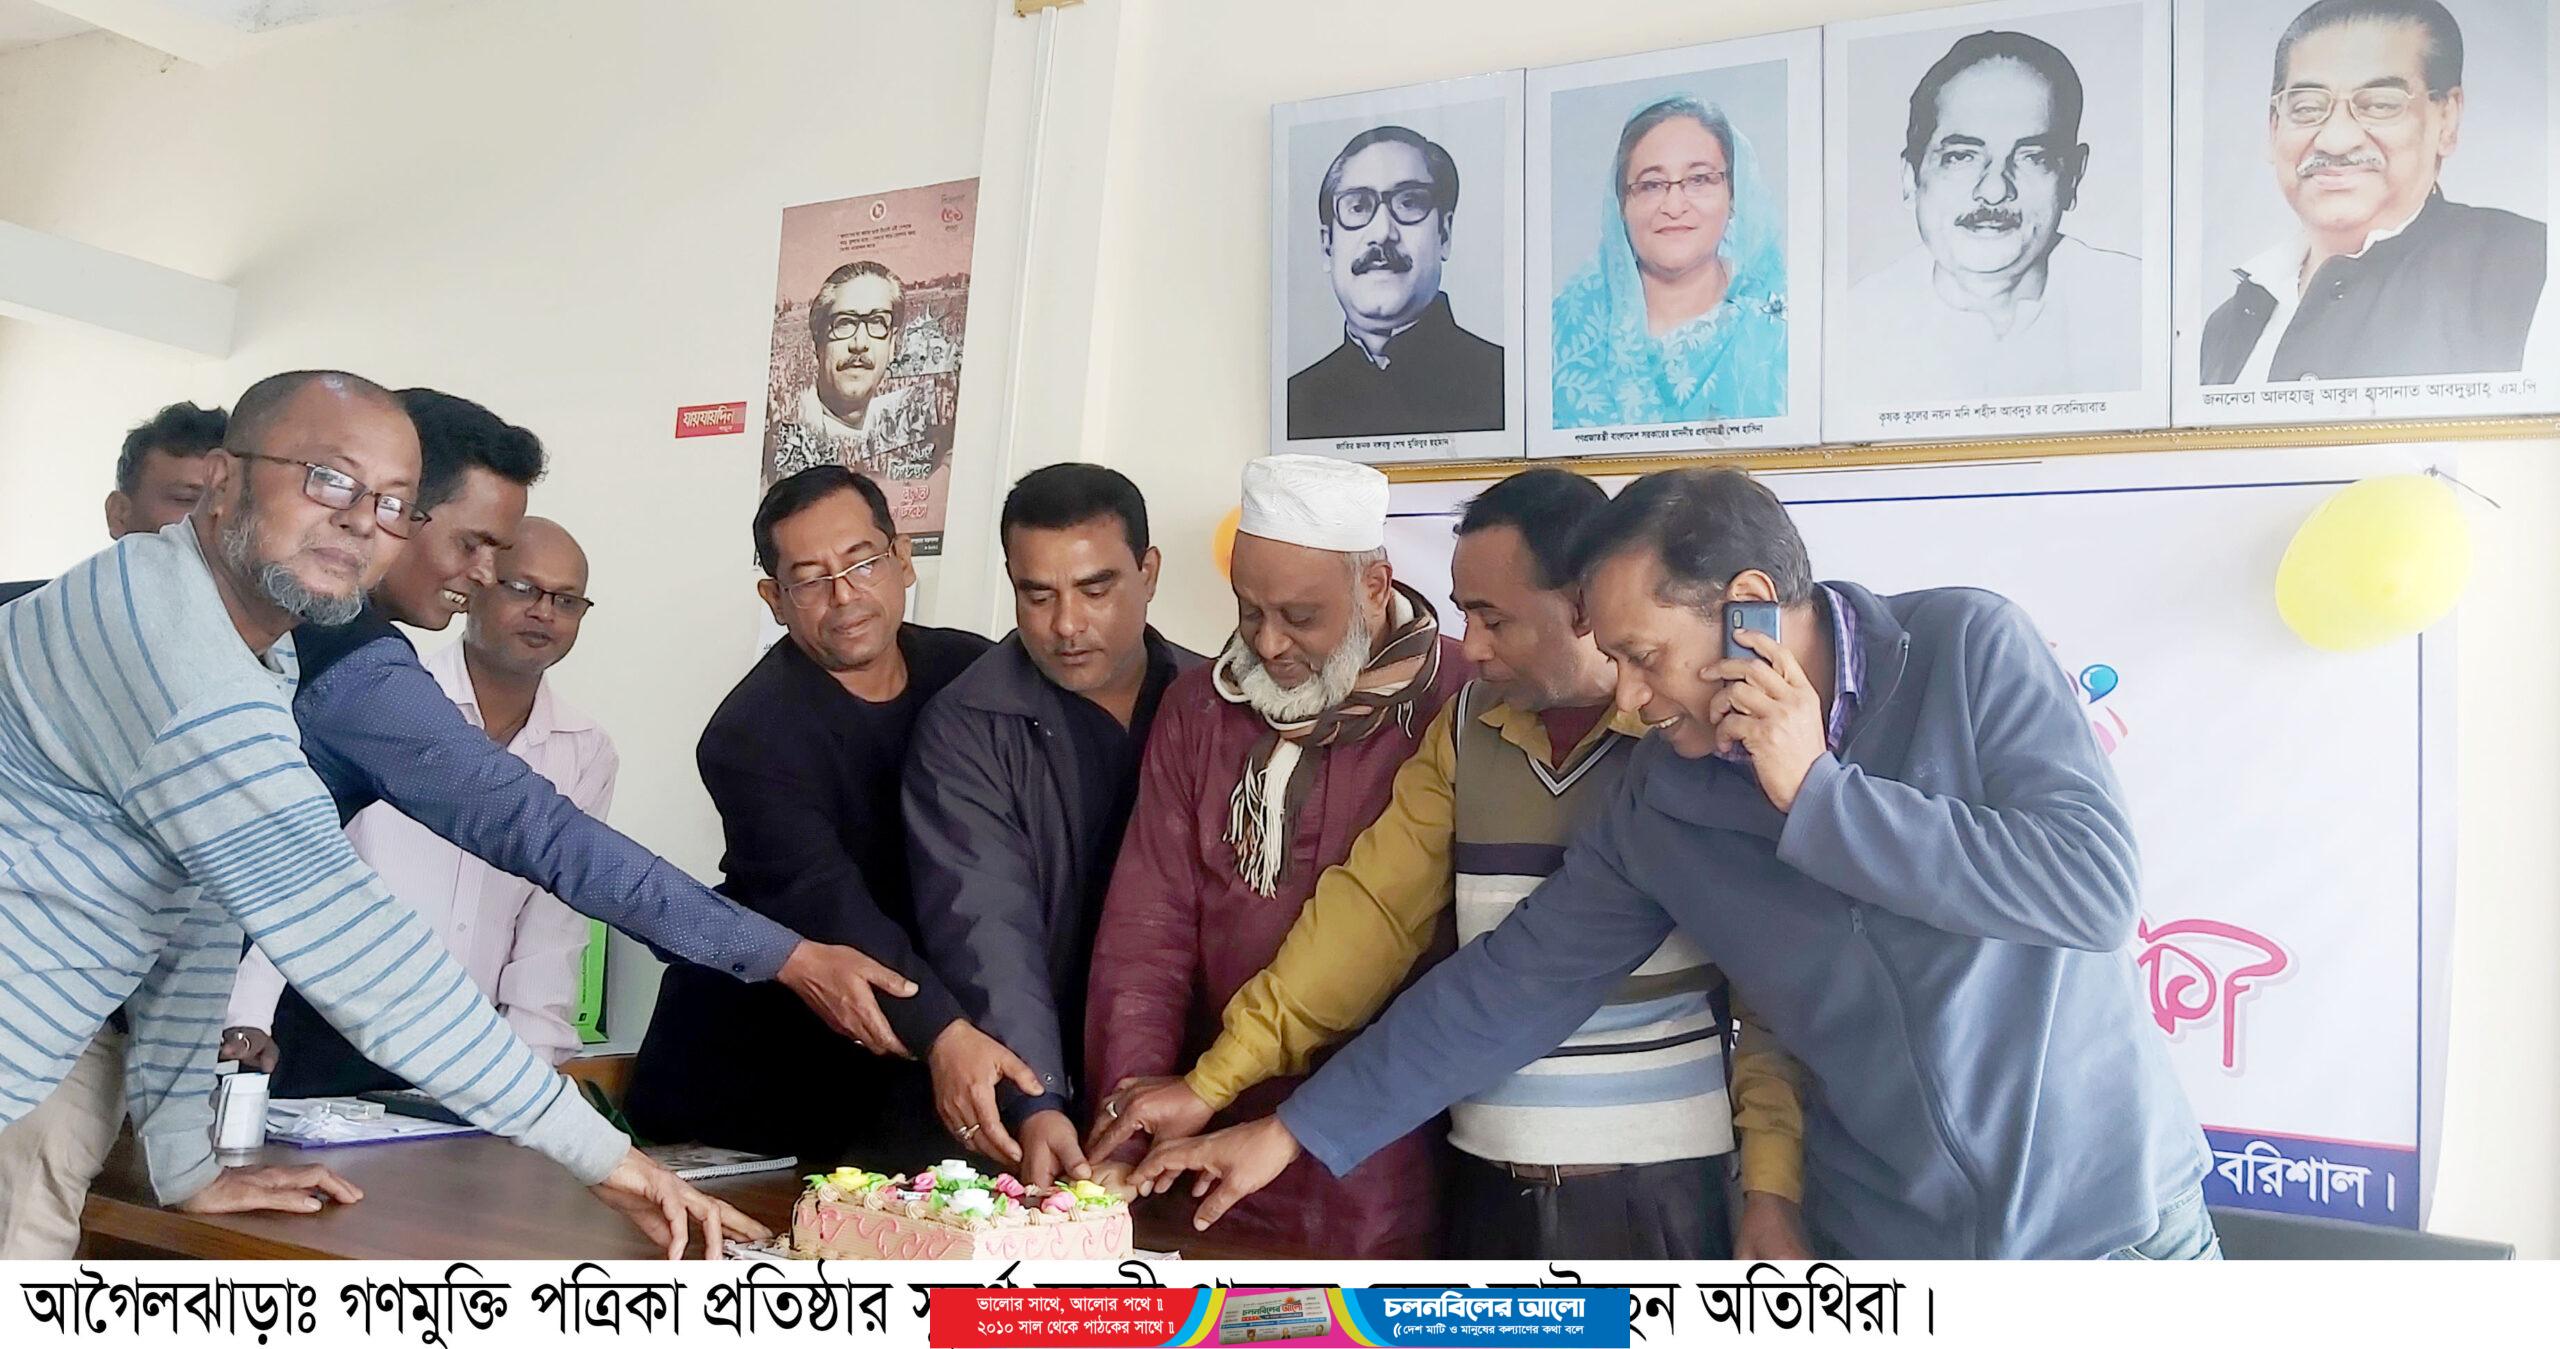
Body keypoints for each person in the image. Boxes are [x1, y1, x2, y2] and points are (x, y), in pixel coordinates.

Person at [1132, 467, 2219, 1262]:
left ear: (1749, 605)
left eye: (1645, 657)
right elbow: (1512, 982)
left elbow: (2087, 887)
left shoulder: (1960, 649)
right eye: (1616, 660)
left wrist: (1819, 793)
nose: (1631, 698)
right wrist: (1290, 1129)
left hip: (2113, 1229)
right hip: (1889, 1249)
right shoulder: (1665, 797)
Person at [0, 371, 755, 1260]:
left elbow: (197, 922)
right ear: (224, 479)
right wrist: (607, 1157)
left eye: (393, 503)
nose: (363, 520)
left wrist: (188, 1165)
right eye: (328, 479)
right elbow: (357, 947)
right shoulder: (188, 670)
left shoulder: (235, 636)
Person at [1091, 470, 1806, 1259]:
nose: (1474, 646)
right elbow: (1369, 917)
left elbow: (1771, 994)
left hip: (1659, 1199)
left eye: (1494, 619)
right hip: (1485, 1189)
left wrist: (1773, 1191)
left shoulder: (1699, 743)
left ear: (1586, 606)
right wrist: (1213, 1082)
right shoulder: (1468, 722)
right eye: (1467, 615)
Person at [259, 391, 929, 1087]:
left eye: (564, 598)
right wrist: (784, 954)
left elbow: (550, 925)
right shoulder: (357, 670)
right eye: (474, 546)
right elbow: (542, 833)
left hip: (452, 1060)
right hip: (297, 1041)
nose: (483, 575)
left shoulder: (336, 645)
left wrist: (531, 1101)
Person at [1085, 454, 1469, 1257]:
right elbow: (1149, 931)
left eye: (1300, 616)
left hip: (1387, 1144)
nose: (1267, 642)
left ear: (1374, 586)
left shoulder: (1459, 697)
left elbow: (1388, 926)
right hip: (1197, 1130)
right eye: (1249, 609)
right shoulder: (1201, 707)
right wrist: (1130, 1118)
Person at [628, 467, 1041, 1173]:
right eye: (811, 579)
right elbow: (829, 905)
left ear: (902, 559)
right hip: (768, 1072)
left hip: (930, 1037)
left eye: (861, 562)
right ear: (775, 599)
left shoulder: (971, 671)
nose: (844, 595)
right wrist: (945, 1033)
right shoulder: (750, 734)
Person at [223, 518, 610, 1096]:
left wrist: (528, 1078)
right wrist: (245, 1015)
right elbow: (294, 868)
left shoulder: (584, 749)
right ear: (476, 585)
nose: (543, 613)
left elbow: (553, 927)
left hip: (460, 1048)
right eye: (522, 588)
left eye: (566, 600)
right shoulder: (383, 698)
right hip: (312, 1029)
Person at [905, 465, 1203, 1185]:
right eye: (1037, 595)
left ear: (1148, 572)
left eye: (1096, 590)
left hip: (1199, 1087)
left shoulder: (1215, 703)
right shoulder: (968, 724)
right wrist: (1036, 1098)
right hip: (1045, 1075)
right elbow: (985, 922)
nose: (1066, 625)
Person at [2201, 0, 2546, 385]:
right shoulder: (2226, 328)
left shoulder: (2532, 271)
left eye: (2380, 105)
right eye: (2307, 108)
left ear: (2447, 119)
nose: (2335, 140)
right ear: (2273, 127)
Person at [1843, 30, 2142, 404]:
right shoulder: (1852, 331)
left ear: (2072, 178)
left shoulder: (2140, 309)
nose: (1995, 190)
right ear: (1910, 179)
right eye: (1960, 156)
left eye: (2033, 157)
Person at [1551, 96, 1788, 428]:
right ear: (1622, 204)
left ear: (1733, 195)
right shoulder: (1564, 331)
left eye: (1699, 179)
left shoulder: (1780, 331)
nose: (1674, 206)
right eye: (1651, 185)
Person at [1286, 126, 1505, 440]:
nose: (1382, 233)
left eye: (1409, 202)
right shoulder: (1295, 402)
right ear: (1327, 246)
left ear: (1444, 234)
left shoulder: (1503, 382)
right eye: (1358, 207)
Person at [3, 400, 229, 606]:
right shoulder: (28, 623)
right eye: (185, 499)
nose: (217, 516)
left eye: (233, 503)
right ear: (119, 513)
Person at [769, 260, 937, 481]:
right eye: (844, 323)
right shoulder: (782, 437)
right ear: (817, 341)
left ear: (893, 343)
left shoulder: (913, 426)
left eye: (877, 321)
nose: (860, 343)